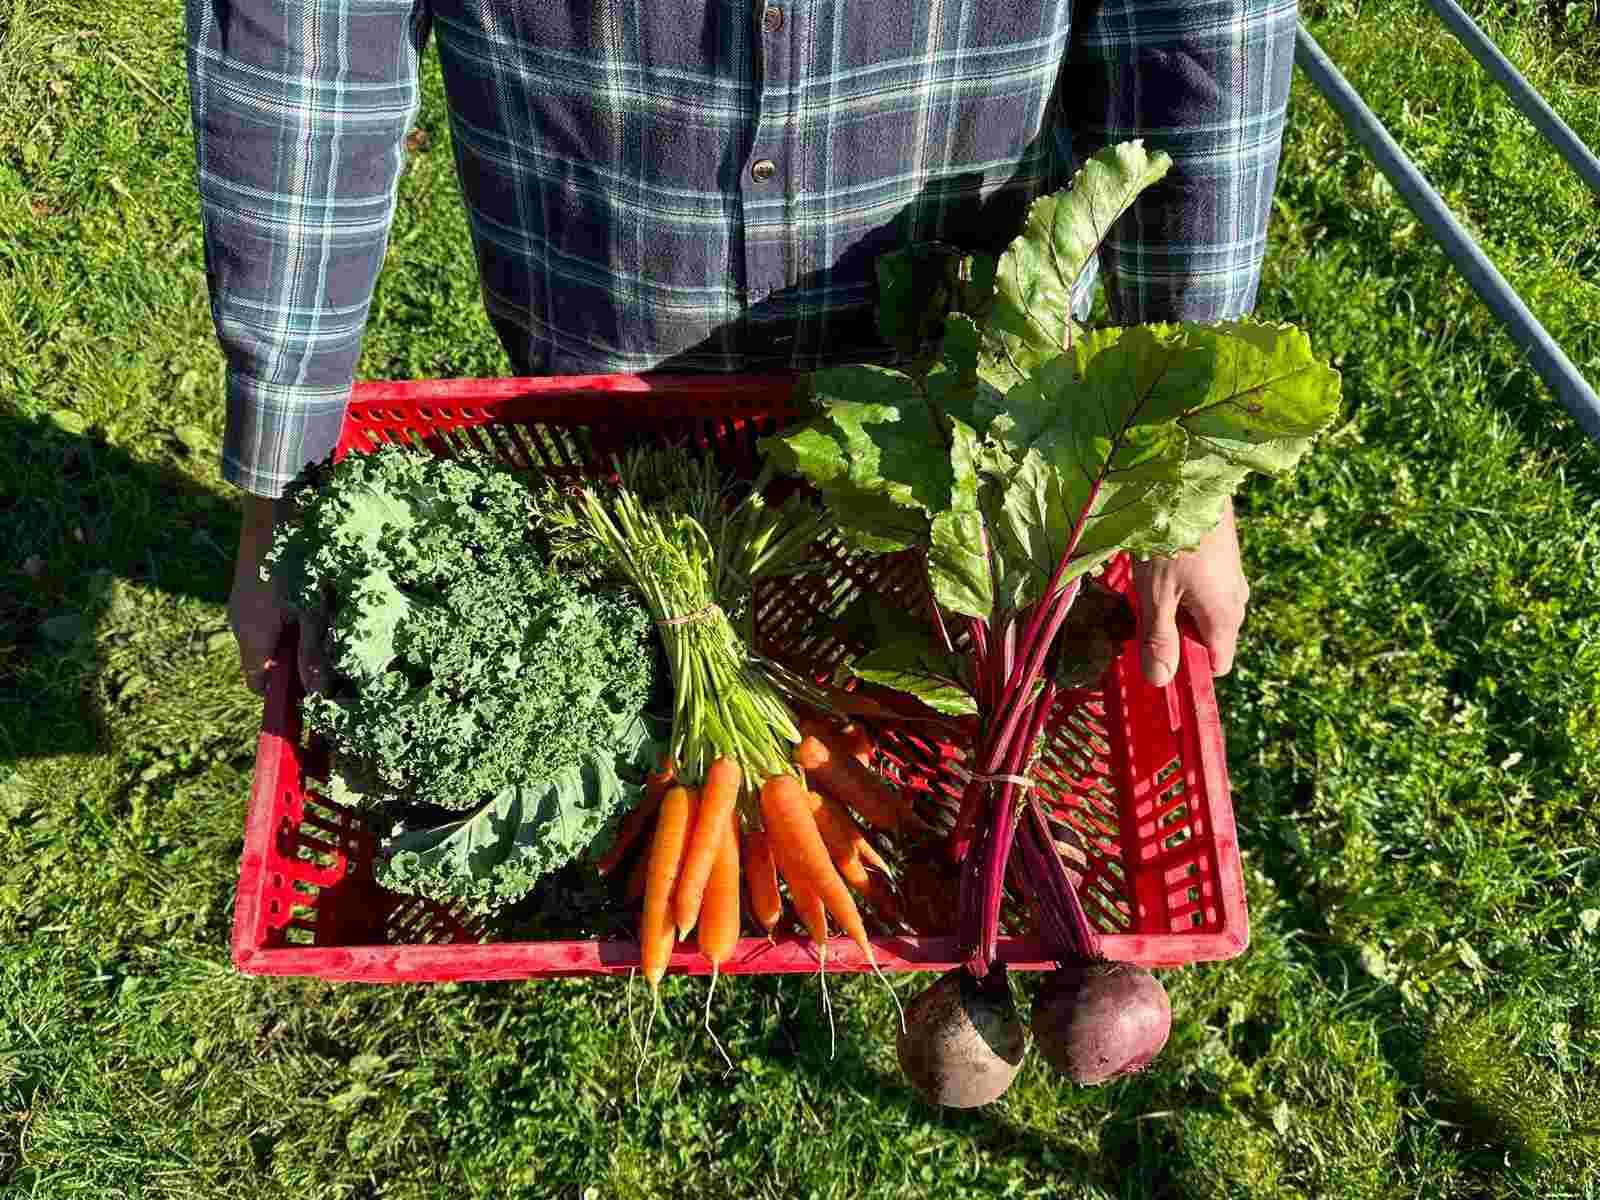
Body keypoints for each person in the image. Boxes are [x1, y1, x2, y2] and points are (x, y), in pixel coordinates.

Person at [187, 0, 1289, 699]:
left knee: (909, 676)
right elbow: (306, 51)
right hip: (601, 334)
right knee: (630, 670)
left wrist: (1185, 470)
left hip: (958, 365)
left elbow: (1201, 33)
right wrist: (282, 482)